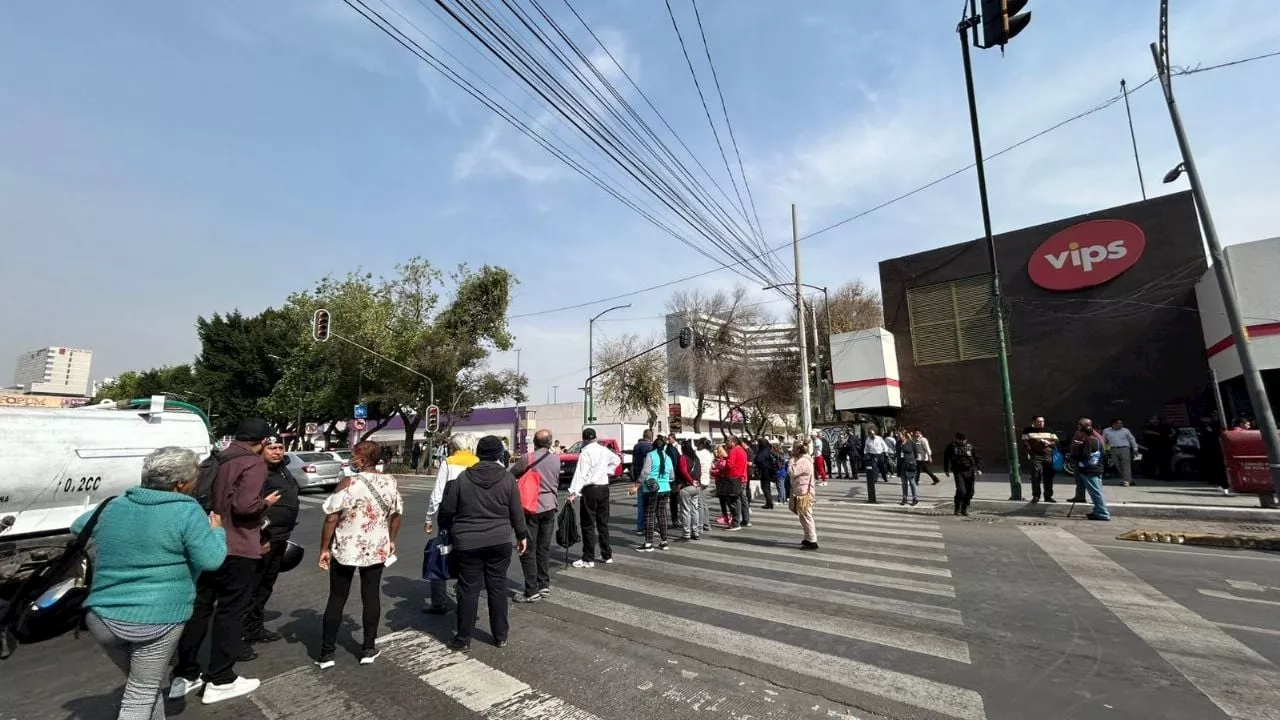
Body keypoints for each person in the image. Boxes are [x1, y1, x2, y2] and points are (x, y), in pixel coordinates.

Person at [78, 447, 228, 717]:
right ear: (179, 484)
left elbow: (80, 527)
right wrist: (217, 532)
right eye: (195, 477)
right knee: (141, 692)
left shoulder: (115, 504)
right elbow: (211, 560)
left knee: (144, 687)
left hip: (101, 616)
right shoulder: (186, 510)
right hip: (156, 619)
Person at [171, 419, 278, 703]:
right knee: (231, 611)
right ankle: (221, 678)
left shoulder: (216, 458)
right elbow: (245, 507)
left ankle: (185, 674)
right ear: (264, 441)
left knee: (200, 608)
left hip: (205, 541)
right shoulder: (252, 463)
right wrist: (266, 504)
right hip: (237, 545)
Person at [438, 436, 529, 651]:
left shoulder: (462, 479)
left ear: (478, 453)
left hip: (467, 542)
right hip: (500, 540)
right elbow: (517, 511)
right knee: (497, 586)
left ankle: (463, 639)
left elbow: (447, 511)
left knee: (468, 589)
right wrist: (522, 535)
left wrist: (451, 530)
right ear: (499, 455)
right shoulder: (507, 480)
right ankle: (500, 636)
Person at [316, 441, 402, 668]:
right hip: (375, 547)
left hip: (346, 547)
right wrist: (391, 540)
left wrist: (324, 548)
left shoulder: (349, 482)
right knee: (371, 596)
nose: (351, 461)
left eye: (353, 457)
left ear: (363, 460)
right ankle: (368, 648)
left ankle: (326, 653)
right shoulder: (390, 482)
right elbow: (396, 515)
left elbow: (331, 517)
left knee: (336, 598)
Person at [244, 434, 300, 645]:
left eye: (279, 448)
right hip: (263, 538)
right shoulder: (258, 473)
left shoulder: (282, 469)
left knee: (266, 585)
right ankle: (242, 631)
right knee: (253, 585)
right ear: (261, 450)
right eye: (272, 448)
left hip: (281, 536)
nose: (277, 452)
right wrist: (260, 535)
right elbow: (250, 505)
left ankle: (254, 627)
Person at [423, 432, 479, 614]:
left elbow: (437, 494)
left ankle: (439, 601)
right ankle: (464, 591)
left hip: (449, 517)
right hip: (473, 517)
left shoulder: (449, 462)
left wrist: (429, 517)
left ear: (453, 447)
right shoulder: (478, 462)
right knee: (468, 557)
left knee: (441, 552)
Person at [510, 429, 561, 603]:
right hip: (550, 505)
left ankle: (531, 590)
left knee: (527, 548)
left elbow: (511, 474)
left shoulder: (528, 458)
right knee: (543, 547)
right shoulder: (556, 459)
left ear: (535, 442)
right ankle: (543, 584)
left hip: (531, 506)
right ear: (550, 442)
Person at [567, 428, 620, 568]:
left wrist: (574, 492)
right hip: (603, 488)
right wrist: (608, 471)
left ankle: (588, 557)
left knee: (588, 524)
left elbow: (581, 474)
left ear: (584, 439)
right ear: (595, 437)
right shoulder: (603, 450)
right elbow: (617, 459)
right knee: (603, 523)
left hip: (590, 490)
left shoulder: (585, 453)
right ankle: (607, 554)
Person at [633, 435, 674, 551]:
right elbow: (672, 476)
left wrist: (637, 484)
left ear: (653, 445)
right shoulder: (668, 457)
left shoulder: (650, 455)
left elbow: (645, 472)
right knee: (662, 515)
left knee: (649, 515)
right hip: (665, 488)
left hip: (652, 489)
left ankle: (648, 543)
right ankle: (664, 541)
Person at [1070, 418, 1111, 520]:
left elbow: (1085, 455)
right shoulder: (1097, 438)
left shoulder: (1089, 440)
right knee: (1096, 491)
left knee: (1096, 492)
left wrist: (1074, 455)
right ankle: (1097, 511)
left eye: (1080, 426)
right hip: (1096, 468)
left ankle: (1103, 513)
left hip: (1090, 469)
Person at [787, 441, 818, 550]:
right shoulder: (804, 459)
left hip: (804, 492)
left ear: (798, 450)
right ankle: (808, 537)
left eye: (793, 449)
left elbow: (791, 472)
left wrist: (791, 460)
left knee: (806, 516)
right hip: (801, 490)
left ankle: (812, 540)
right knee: (803, 516)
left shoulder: (803, 461)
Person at [1020, 416, 1059, 503]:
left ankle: (1048, 496)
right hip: (1036, 455)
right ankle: (1036, 496)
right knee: (1036, 476)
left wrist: (1048, 443)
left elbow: (1056, 441)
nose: (1041, 423)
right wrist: (1030, 450)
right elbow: (1024, 442)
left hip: (1048, 455)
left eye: (1042, 421)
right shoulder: (1027, 430)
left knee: (1048, 476)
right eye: (1039, 421)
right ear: (1033, 422)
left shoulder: (1049, 430)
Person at [943, 432, 981, 516]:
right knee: (961, 490)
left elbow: (977, 457)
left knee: (970, 491)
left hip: (969, 471)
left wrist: (978, 468)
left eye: (965, 440)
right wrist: (946, 469)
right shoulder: (952, 447)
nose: (963, 441)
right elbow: (946, 458)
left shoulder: (970, 446)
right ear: (957, 439)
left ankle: (964, 508)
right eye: (961, 440)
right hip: (958, 471)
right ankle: (957, 507)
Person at [1103, 418, 1139, 487]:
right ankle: (1129, 479)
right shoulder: (1106, 431)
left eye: (1121, 423)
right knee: (1118, 465)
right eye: (1119, 423)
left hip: (1124, 449)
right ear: (1113, 424)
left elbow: (1132, 439)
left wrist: (1135, 449)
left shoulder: (1126, 431)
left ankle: (1126, 481)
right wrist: (1106, 450)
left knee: (1126, 465)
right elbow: (1105, 441)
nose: (1121, 425)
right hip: (1113, 449)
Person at [631, 430, 654, 534]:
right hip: (649, 478)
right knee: (651, 504)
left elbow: (634, 461)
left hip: (638, 476)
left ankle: (640, 527)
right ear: (651, 437)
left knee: (640, 504)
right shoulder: (651, 447)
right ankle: (650, 527)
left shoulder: (636, 446)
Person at [725, 435, 751, 529]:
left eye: (728, 441)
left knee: (734, 501)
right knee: (742, 499)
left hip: (735, 478)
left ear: (733, 442)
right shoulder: (742, 450)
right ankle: (746, 519)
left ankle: (736, 522)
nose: (726, 443)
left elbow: (730, 465)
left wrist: (723, 465)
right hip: (742, 477)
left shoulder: (733, 451)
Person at [694, 438, 715, 533]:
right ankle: (706, 524)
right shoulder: (709, 454)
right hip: (706, 479)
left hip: (700, 479)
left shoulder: (698, 453)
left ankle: (700, 525)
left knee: (699, 504)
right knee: (703, 503)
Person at [862, 427, 887, 504]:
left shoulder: (879, 438)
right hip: (873, 455)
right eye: (870, 434)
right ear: (869, 434)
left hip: (880, 454)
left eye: (873, 434)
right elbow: (866, 448)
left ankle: (884, 477)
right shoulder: (868, 440)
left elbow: (884, 445)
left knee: (882, 467)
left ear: (874, 433)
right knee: (874, 468)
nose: (872, 435)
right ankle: (875, 479)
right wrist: (865, 453)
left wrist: (885, 451)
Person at [753, 438, 778, 510]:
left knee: (765, 487)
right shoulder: (768, 449)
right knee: (767, 487)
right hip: (769, 470)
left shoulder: (763, 450)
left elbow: (759, 459)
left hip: (765, 470)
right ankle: (769, 502)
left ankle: (769, 503)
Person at [898, 431, 921, 506]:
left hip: (910, 465)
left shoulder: (911, 442)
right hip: (902, 465)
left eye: (900, 436)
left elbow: (916, 452)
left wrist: (912, 460)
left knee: (911, 482)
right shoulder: (898, 443)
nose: (899, 437)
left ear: (904, 436)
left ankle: (915, 498)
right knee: (904, 483)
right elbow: (897, 453)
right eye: (898, 436)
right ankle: (904, 497)